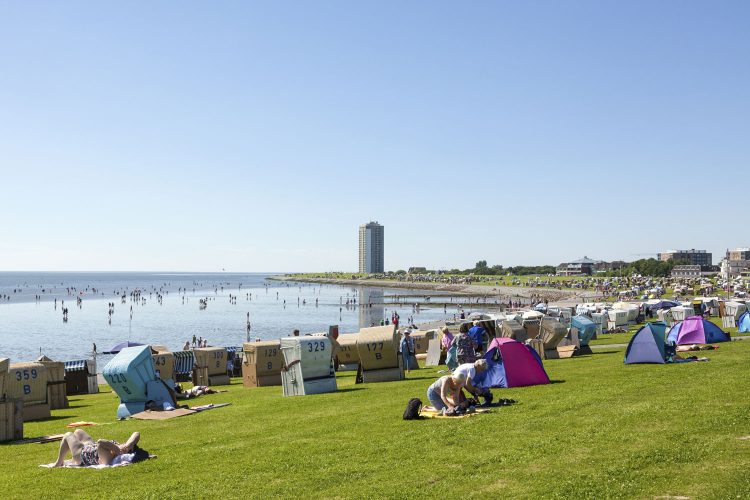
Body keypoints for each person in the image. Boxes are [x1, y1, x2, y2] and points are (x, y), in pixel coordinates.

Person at [52, 430, 142, 467]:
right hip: (91, 446)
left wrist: (117, 448)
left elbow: (101, 442)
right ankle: (64, 460)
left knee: (68, 435)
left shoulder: (108, 458)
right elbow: (136, 433)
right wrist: (128, 445)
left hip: (81, 454)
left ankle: (59, 462)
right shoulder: (125, 448)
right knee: (78, 431)